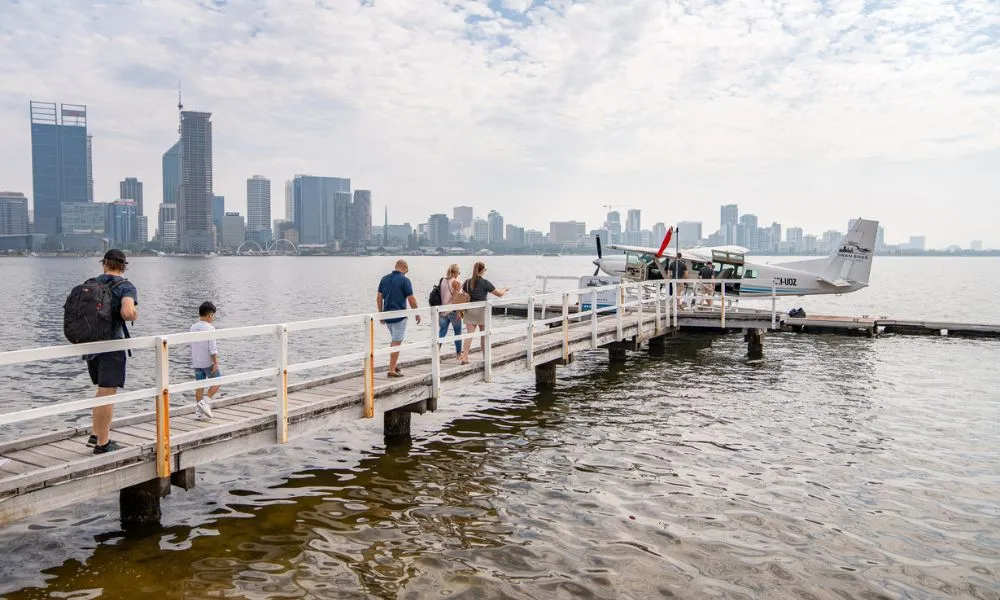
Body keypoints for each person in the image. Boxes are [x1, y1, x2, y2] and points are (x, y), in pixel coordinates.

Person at [84, 249, 138, 454]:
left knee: (101, 390)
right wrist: (134, 313)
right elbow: (127, 312)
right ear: (123, 266)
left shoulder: (91, 282)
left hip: (91, 346)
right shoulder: (126, 286)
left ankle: (96, 434)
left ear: (104, 264)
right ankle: (102, 443)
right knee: (108, 392)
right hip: (111, 347)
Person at [377, 259, 421, 377]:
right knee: (397, 342)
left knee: (394, 340)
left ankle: (394, 364)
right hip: (399, 316)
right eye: (407, 270)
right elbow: (411, 299)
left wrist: (380, 314)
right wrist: (417, 313)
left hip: (387, 316)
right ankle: (391, 370)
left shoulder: (384, 279)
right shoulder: (405, 280)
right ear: (405, 267)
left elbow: (379, 297)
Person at [460, 261, 509, 365]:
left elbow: (463, 295)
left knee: (469, 335)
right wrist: (505, 289)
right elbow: (499, 294)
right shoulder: (485, 282)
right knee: (484, 335)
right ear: (482, 270)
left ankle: (464, 358)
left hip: (470, 310)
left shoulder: (467, 282)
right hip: (482, 311)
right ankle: (485, 357)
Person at [189, 301, 221, 419]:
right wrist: (215, 363)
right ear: (209, 315)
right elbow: (212, 349)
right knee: (218, 381)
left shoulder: (192, 327)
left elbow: (191, 344)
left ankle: (199, 412)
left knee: (199, 386)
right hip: (207, 362)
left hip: (197, 361)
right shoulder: (210, 328)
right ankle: (205, 401)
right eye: (213, 315)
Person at [437, 264, 464, 359]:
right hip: (453, 311)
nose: (459, 274)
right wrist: (459, 312)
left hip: (442, 310)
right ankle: (458, 354)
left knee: (442, 332)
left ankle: (436, 353)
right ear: (455, 272)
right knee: (458, 333)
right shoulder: (456, 282)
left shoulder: (443, 280)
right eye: (458, 272)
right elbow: (457, 298)